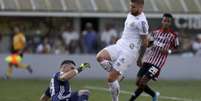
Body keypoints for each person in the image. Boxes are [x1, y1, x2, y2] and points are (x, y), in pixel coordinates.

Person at [96, 0, 149, 101]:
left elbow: (145, 42)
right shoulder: (130, 14)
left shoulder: (142, 22)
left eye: (133, 7)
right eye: (130, 6)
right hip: (119, 45)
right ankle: (119, 76)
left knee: (110, 79)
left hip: (129, 52)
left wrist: (140, 58)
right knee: (100, 57)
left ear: (141, 7)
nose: (130, 8)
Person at [128, 13, 179, 101]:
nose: (166, 23)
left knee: (143, 81)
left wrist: (168, 51)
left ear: (170, 23)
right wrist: (140, 57)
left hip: (157, 64)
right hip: (147, 60)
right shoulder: (154, 33)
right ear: (162, 21)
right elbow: (147, 45)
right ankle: (154, 94)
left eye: (168, 21)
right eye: (164, 20)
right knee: (138, 82)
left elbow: (177, 48)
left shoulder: (173, 36)